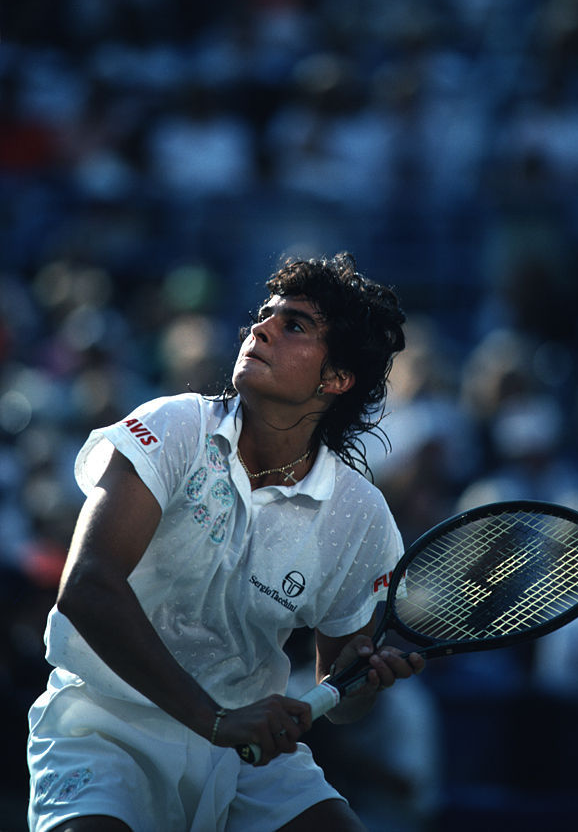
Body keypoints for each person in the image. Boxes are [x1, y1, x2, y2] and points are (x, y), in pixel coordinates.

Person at [27, 252, 425, 832]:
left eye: (295, 325)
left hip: (246, 757)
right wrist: (214, 720)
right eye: (265, 315)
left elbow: (341, 696)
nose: (259, 329)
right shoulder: (174, 426)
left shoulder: (360, 516)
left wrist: (362, 684)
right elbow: (86, 587)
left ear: (335, 379)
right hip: (105, 726)